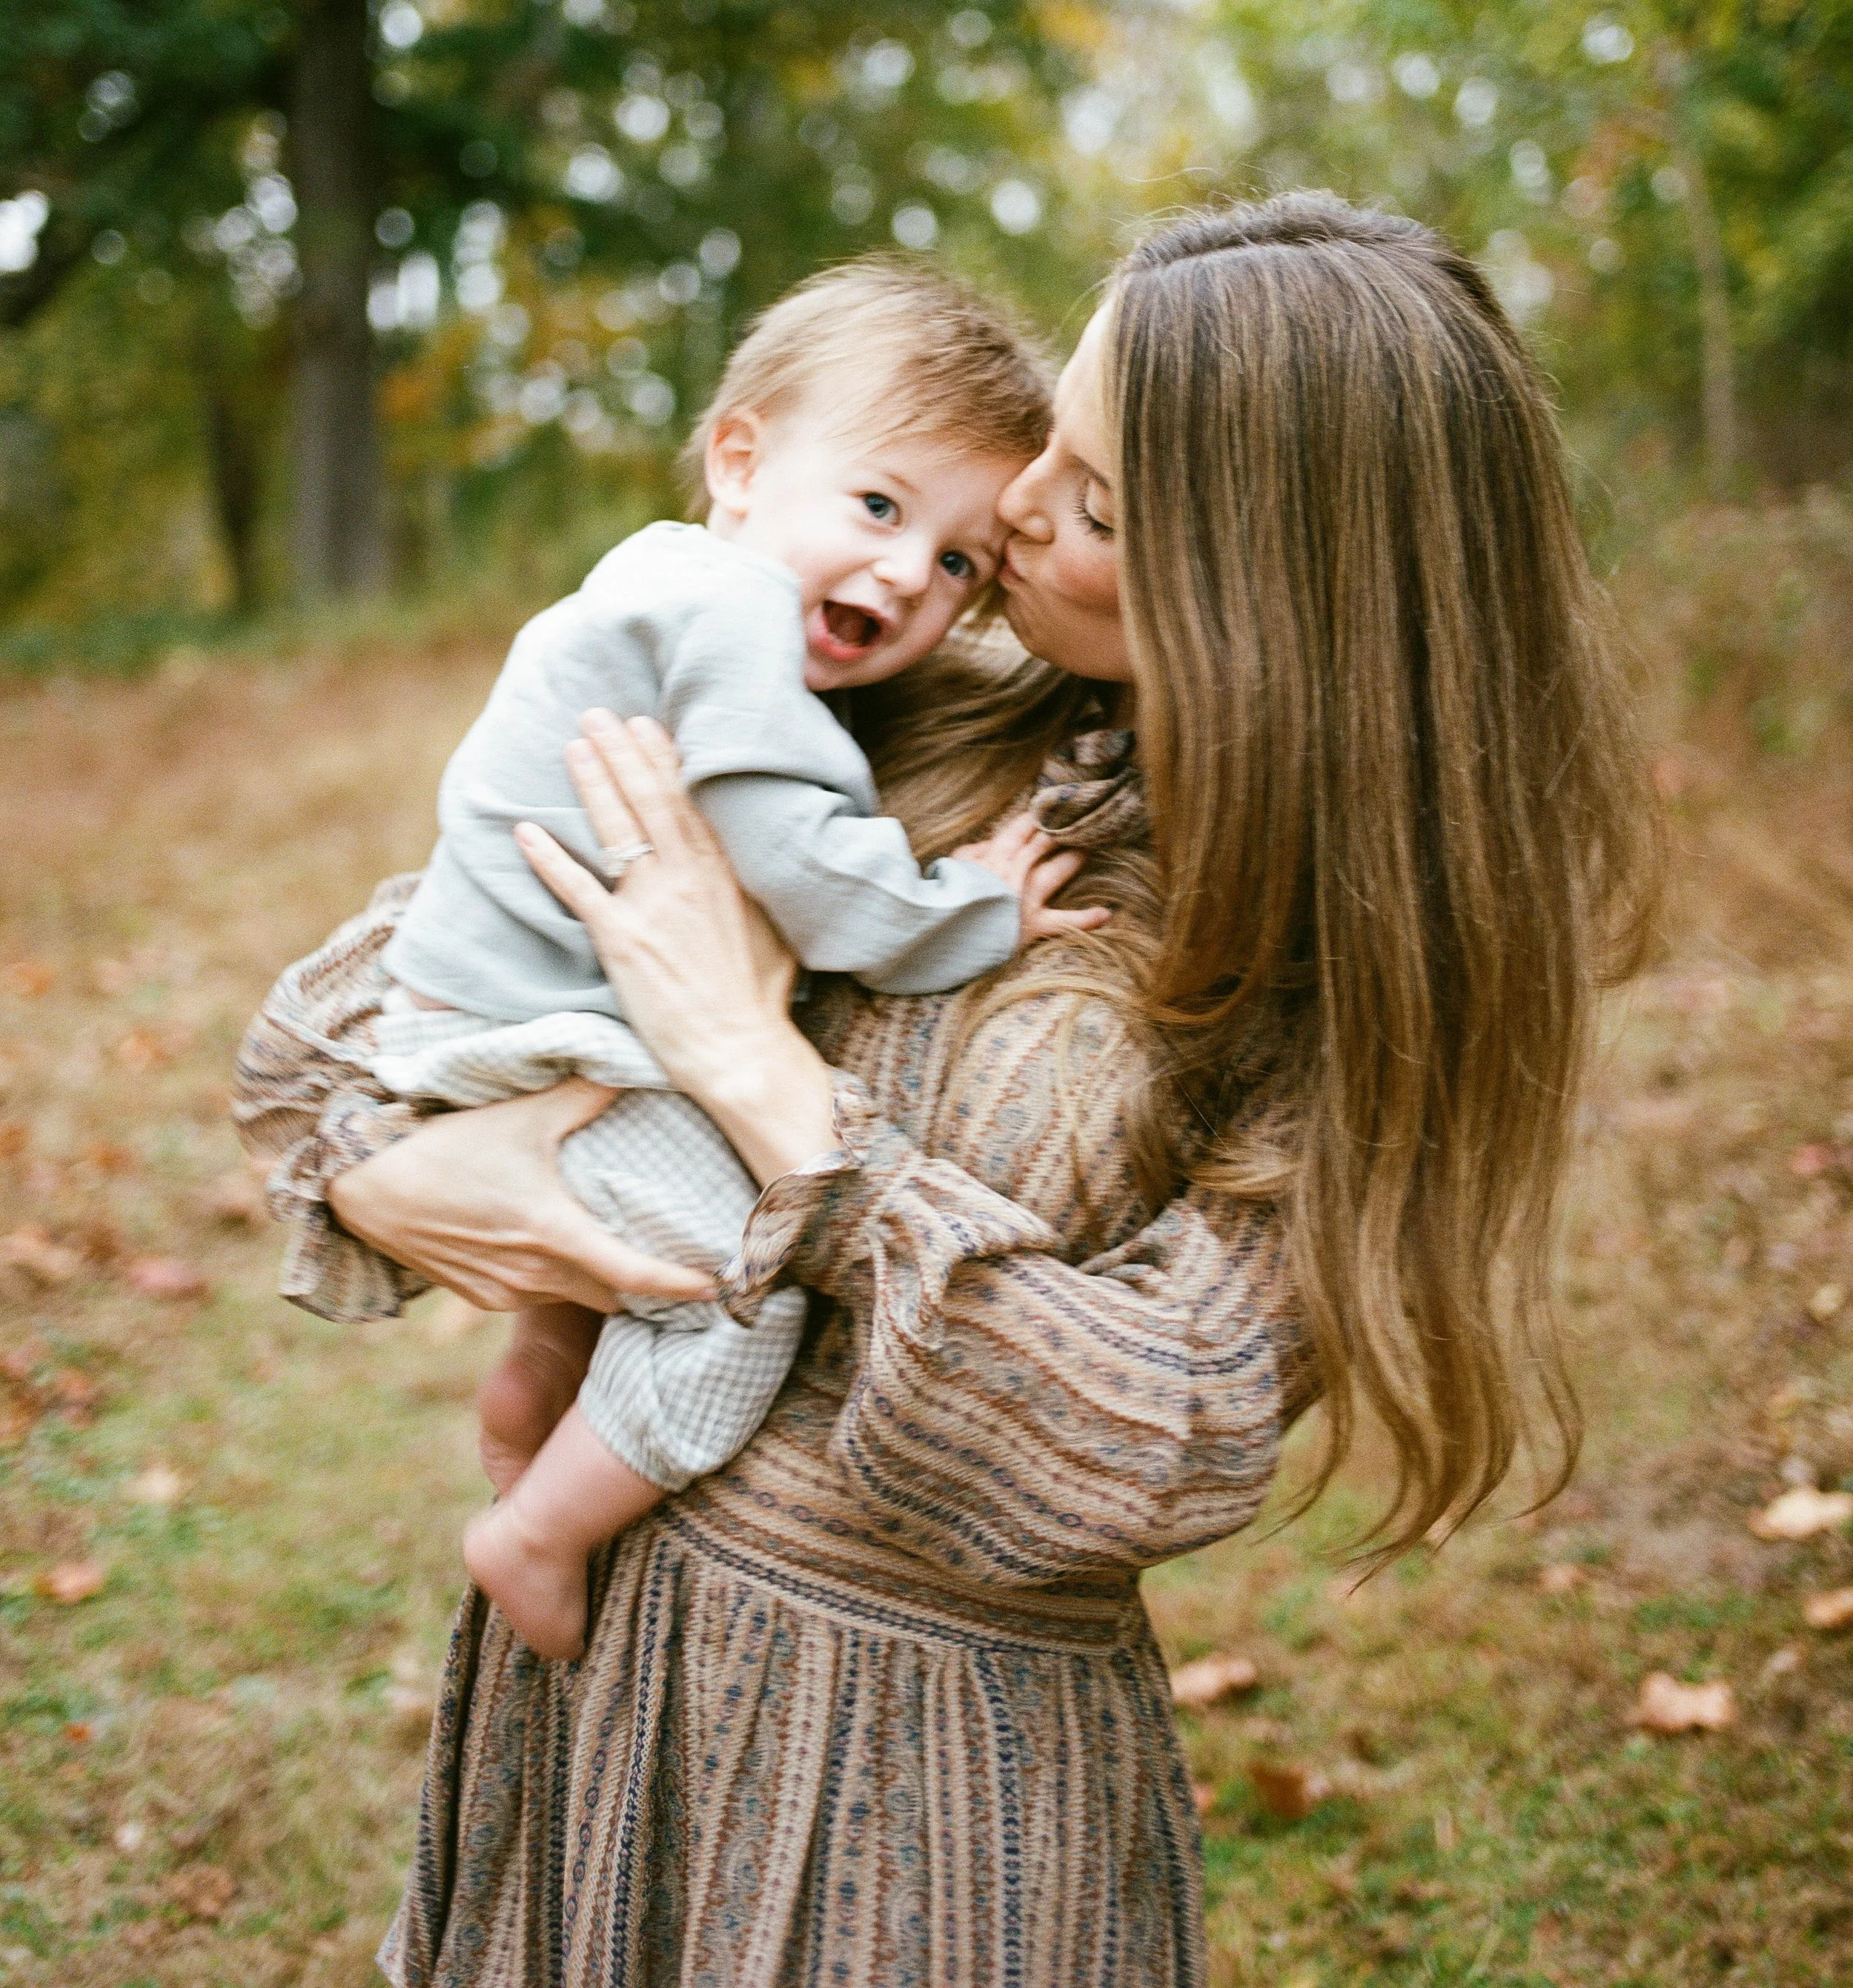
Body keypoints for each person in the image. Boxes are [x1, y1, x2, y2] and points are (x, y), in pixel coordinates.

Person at [234, 196, 1658, 1987]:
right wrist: (393, 1171)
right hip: (604, 1673)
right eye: (1046, 453)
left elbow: (1160, 1433)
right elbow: (332, 1025)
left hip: (917, 1779)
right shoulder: (914, 708)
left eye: (1096, 502)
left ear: (1271, 579)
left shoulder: (1352, 963)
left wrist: (778, 1099)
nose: (1015, 518)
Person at [348, 260, 1105, 1659]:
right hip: (537, 1041)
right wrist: (975, 907)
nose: (904, 572)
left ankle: (538, 1386)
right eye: (879, 505)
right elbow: (809, 876)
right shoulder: (733, 626)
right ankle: (537, 1529)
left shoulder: (657, 587)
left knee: (639, 1237)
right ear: (742, 461)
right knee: (732, 1293)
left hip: (485, 1017)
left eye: (957, 564)